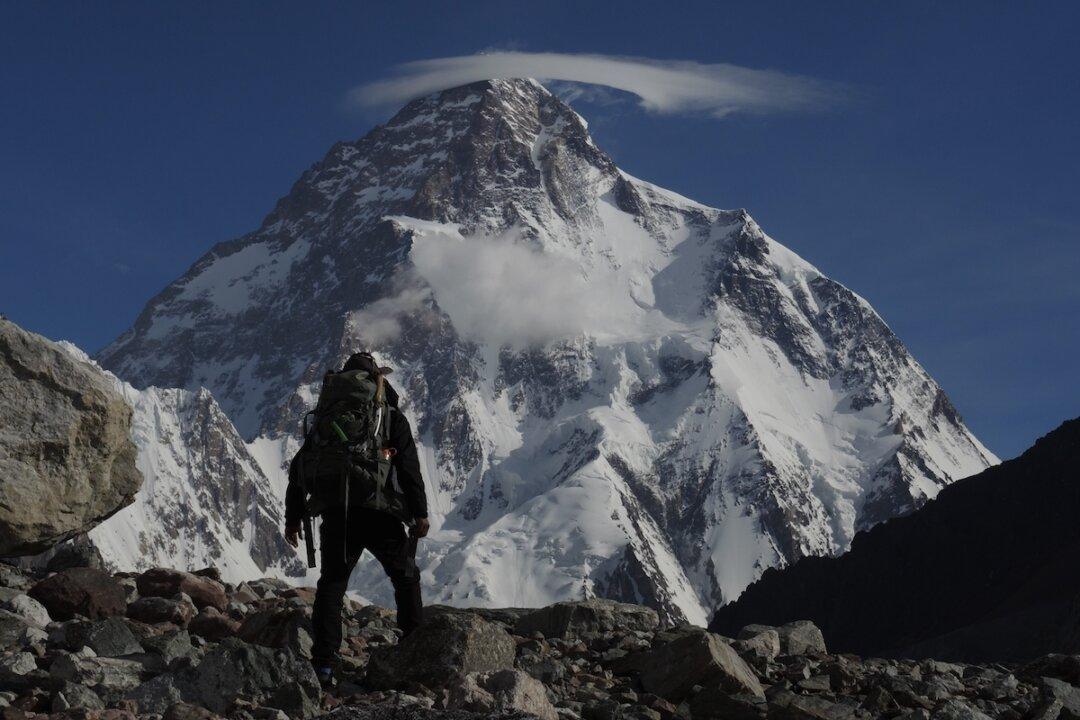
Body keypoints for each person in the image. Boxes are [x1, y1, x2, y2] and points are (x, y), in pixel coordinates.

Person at [283, 352, 429, 688]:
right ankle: (415, 649)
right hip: (379, 512)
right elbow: (408, 469)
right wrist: (419, 513)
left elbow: (300, 469)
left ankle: (324, 664)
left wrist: (293, 518)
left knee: (332, 584)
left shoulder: (325, 419)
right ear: (377, 380)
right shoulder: (388, 416)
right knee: (405, 576)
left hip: (336, 512)